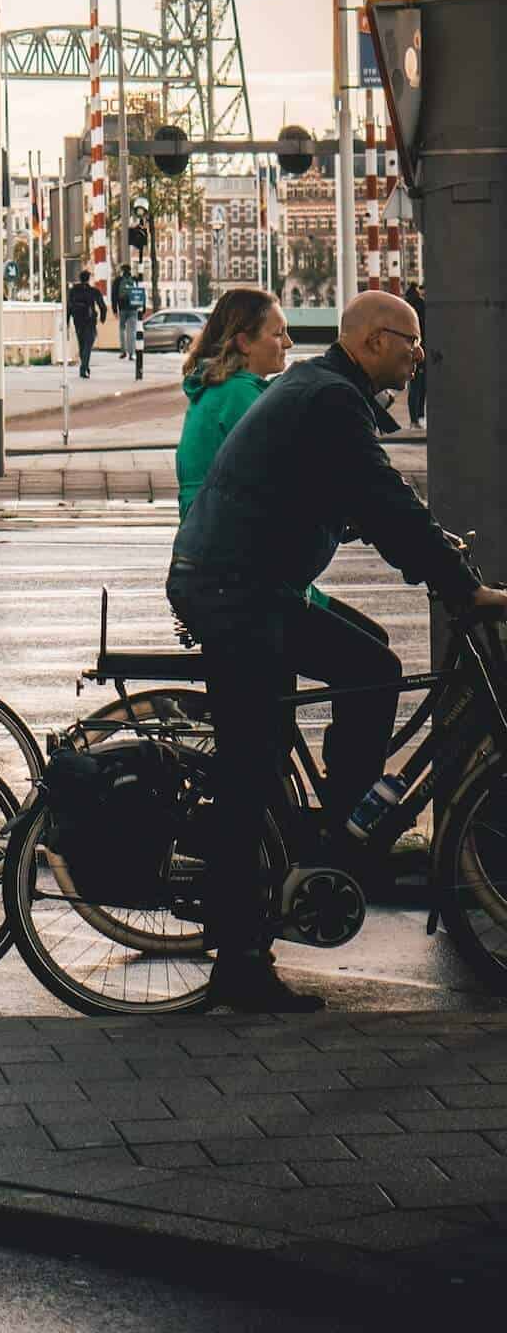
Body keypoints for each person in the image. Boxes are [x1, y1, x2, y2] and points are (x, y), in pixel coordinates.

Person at [167, 290, 507, 1011]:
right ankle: (240, 963)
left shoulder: (321, 391)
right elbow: (382, 497)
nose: (419, 358)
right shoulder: (331, 400)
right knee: (251, 767)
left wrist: (433, 551)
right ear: (374, 343)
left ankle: (342, 828)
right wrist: (457, 585)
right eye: (412, 344)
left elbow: (356, 501)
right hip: (236, 592)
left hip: (246, 582)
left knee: (371, 666)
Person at [174, 288, 290, 520]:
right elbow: (284, 469)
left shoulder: (217, 389)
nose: (289, 343)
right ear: (244, 342)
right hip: (229, 539)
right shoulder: (238, 394)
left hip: (203, 537)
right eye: (279, 334)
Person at [67, 272, 106, 378]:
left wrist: (67, 321)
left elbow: (68, 306)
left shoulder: (73, 291)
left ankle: (85, 366)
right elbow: (102, 306)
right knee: (88, 345)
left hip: (77, 320)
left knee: (82, 344)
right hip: (90, 321)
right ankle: (83, 368)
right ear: (88, 279)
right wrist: (102, 318)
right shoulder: (93, 291)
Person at [403, 282, 426, 428]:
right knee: (420, 386)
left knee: (414, 385)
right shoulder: (422, 307)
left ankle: (414, 419)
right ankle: (419, 417)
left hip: (408, 350)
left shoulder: (405, 307)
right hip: (421, 350)